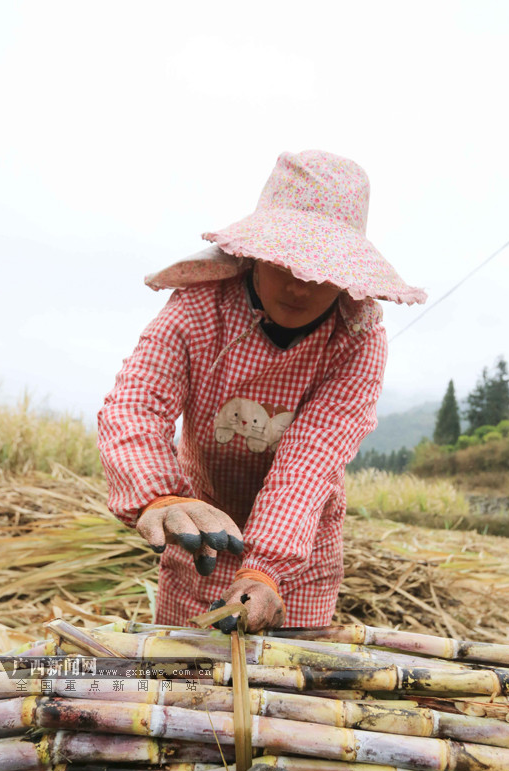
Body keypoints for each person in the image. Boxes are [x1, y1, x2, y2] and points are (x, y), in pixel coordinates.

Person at [97, 150, 426, 632]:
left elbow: (309, 462)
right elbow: (136, 402)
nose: (298, 287)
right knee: (184, 675)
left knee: (289, 687)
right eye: (284, 264)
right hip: (198, 526)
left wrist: (265, 567)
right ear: (254, 255)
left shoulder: (355, 338)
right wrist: (162, 498)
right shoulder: (198, 307)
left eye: (320, 274)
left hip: (299, 545)